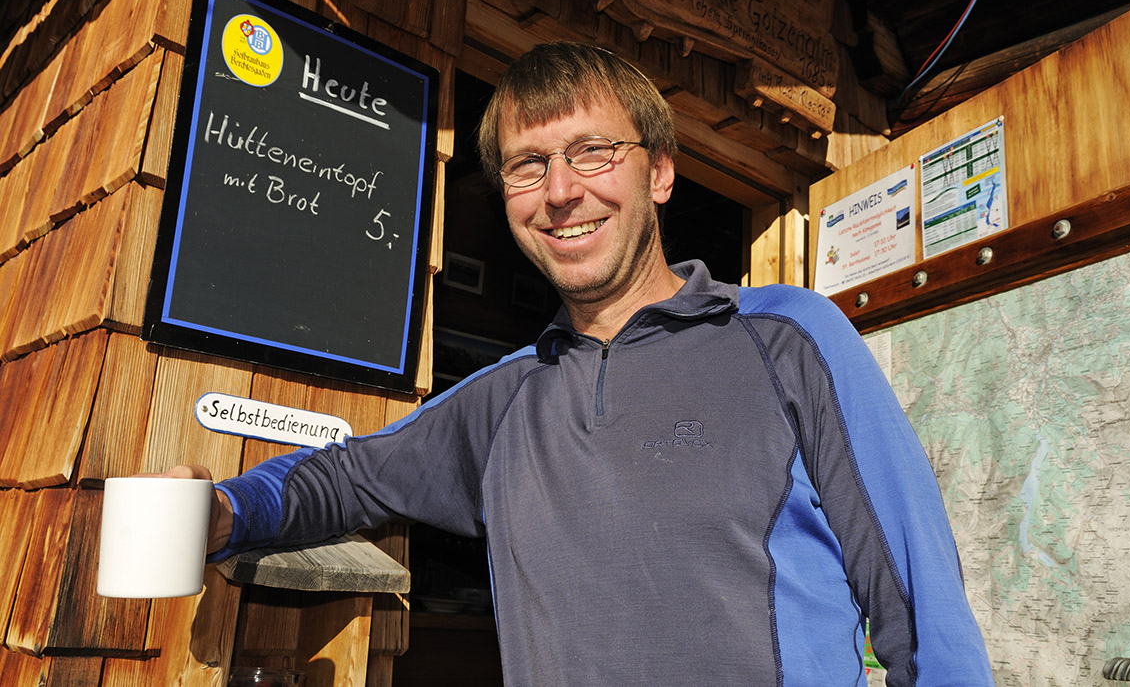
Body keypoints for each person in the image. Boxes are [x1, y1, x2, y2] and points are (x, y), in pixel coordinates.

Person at [170, 41, 995, 686]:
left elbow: (921, 607)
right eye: (529, 166)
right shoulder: (503, 400)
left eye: (593, 152)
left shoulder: (789, 336)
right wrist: (225, 512)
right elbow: (346, 478)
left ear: (661, 172)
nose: (561, 190)